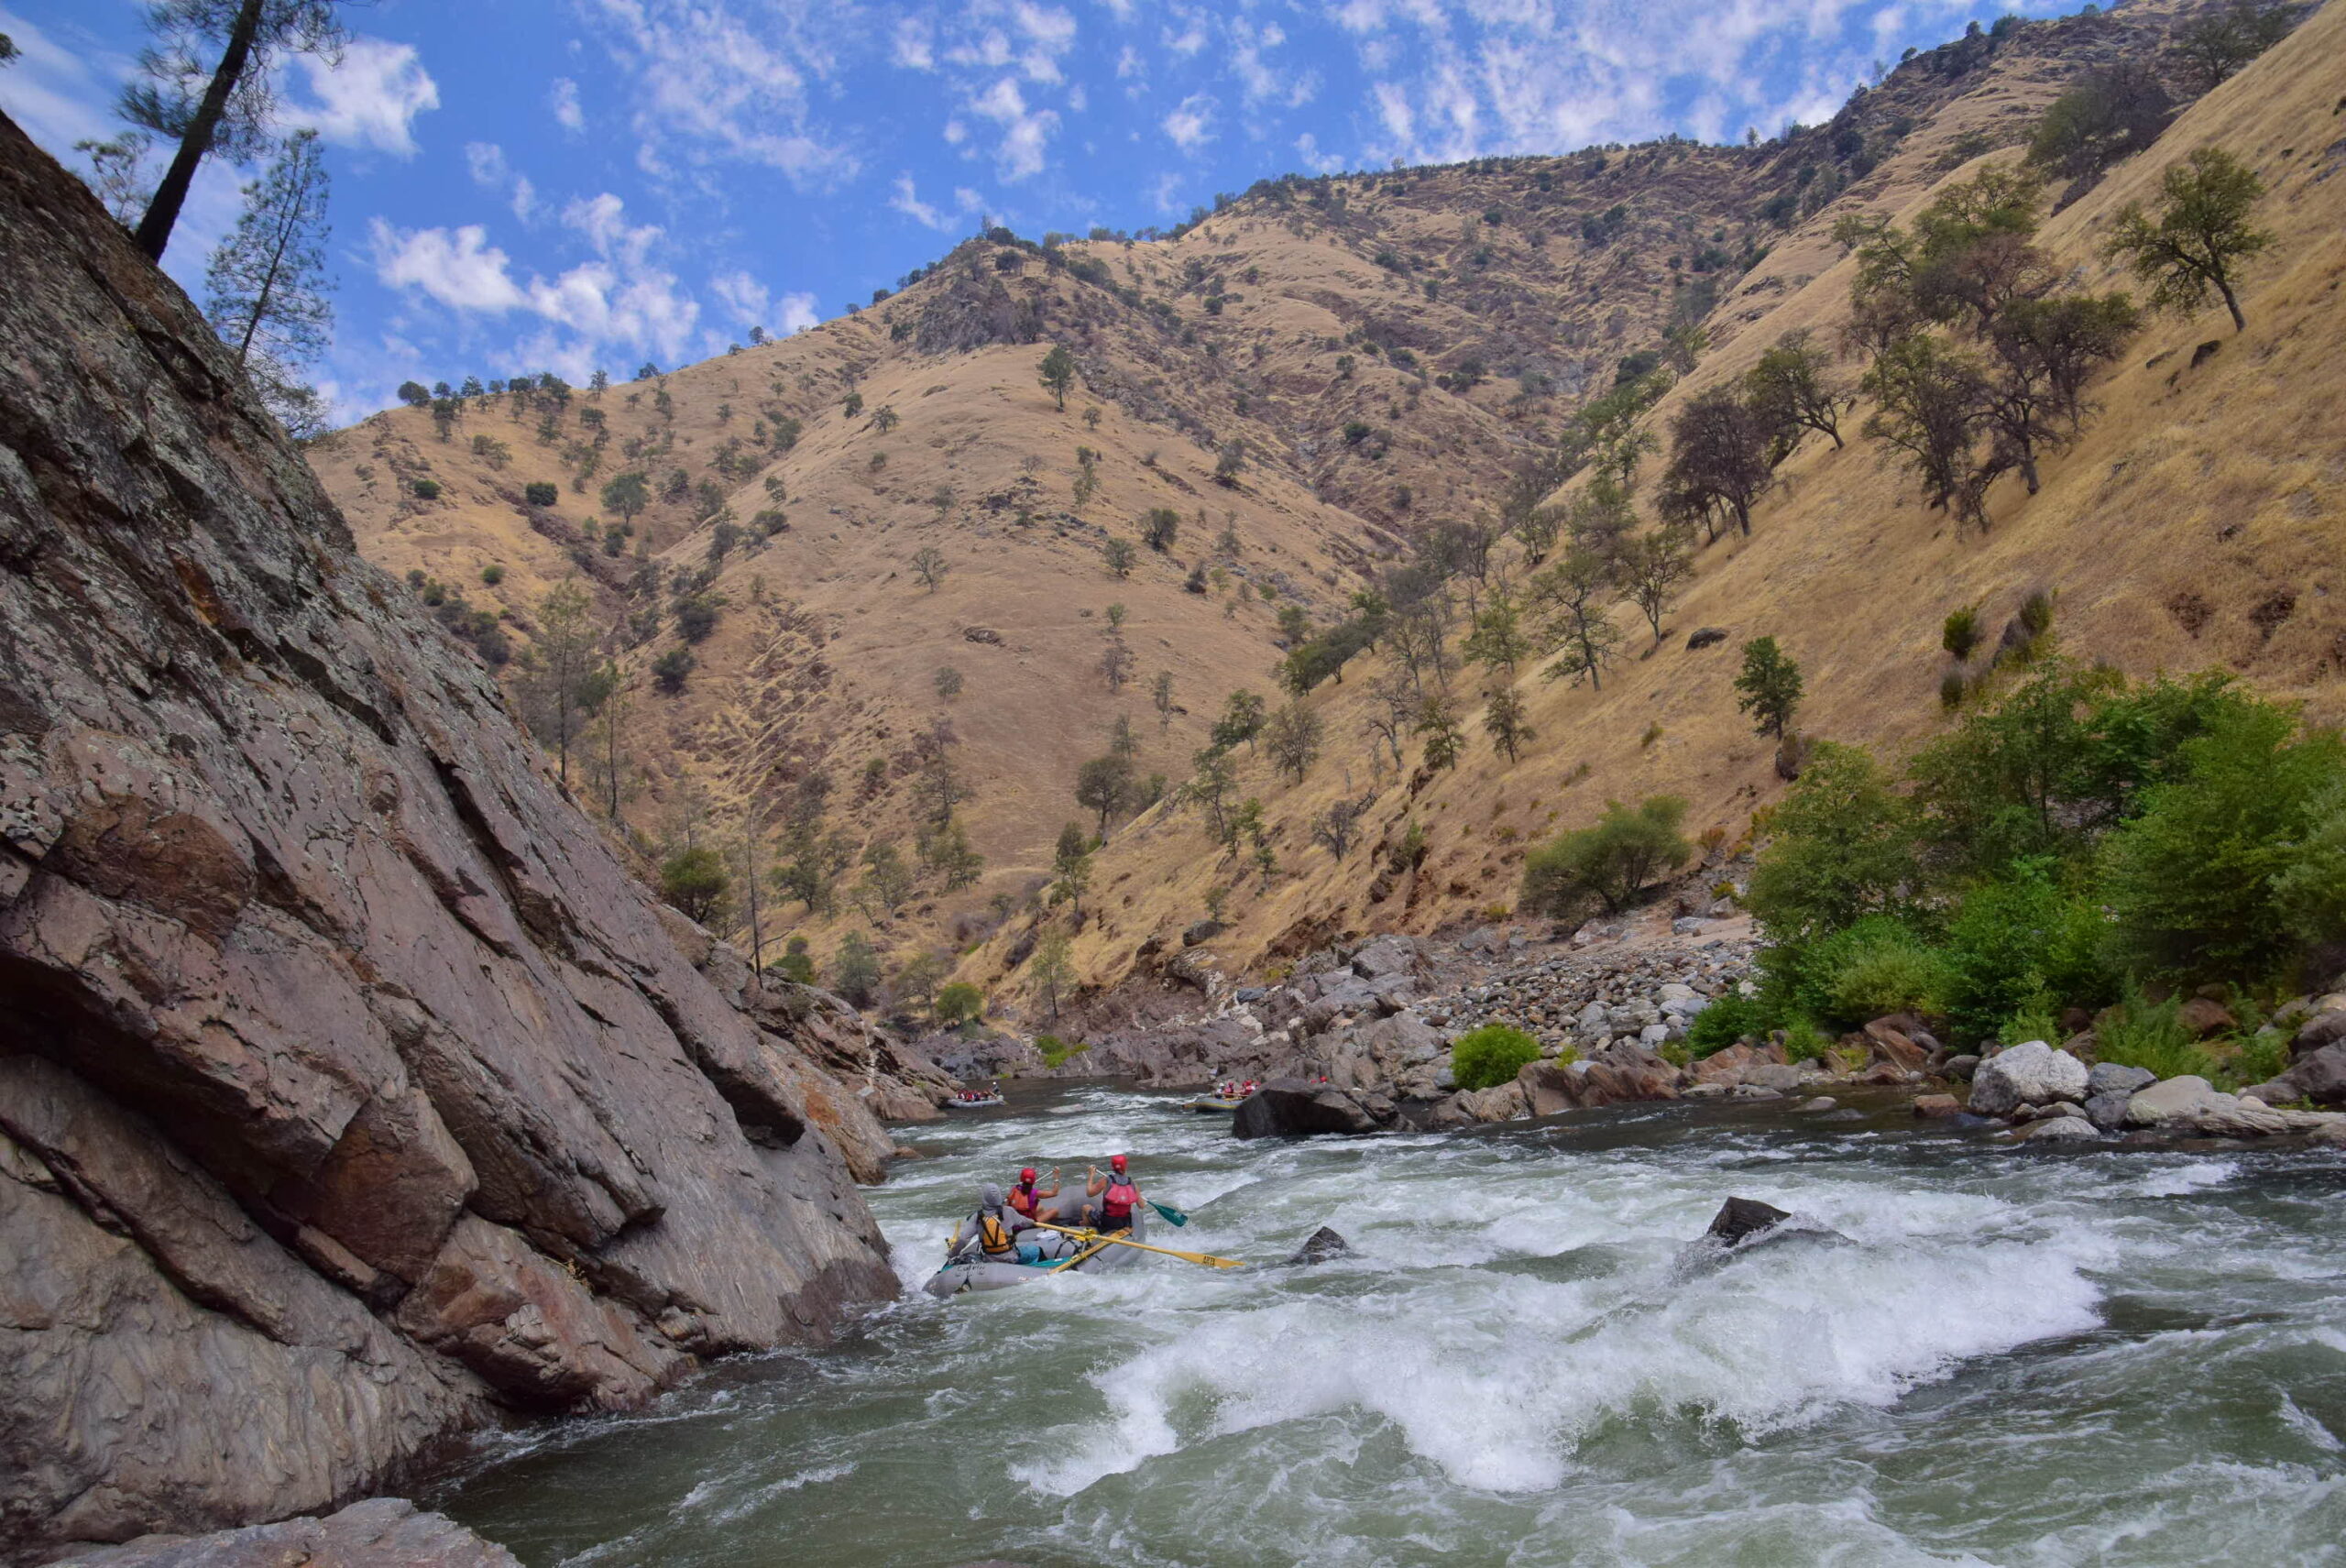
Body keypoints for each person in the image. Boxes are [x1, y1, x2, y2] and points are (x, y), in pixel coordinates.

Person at [950, 1182, 1039, 1265]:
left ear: (983, 1198)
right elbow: (1025, 1222)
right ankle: (1030, 1269)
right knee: (1034, 1249)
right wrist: (1033, 1222)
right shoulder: (1009, 1211)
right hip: (1011, 1258)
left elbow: (963, 1239)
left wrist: (952, 1254)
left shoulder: (976, 1216)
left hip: (988, 1260)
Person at [1084, 1154, 1143, 1233]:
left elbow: (1089, 1193)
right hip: (1125, 1223)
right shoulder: (1132, 1183)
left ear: (1112, 1167)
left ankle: (1088, 1231)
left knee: (1085, 1208)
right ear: (1126, 1166)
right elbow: (1141, 1205)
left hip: (1107, 1222)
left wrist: (1091, 1175)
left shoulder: (1106, 1180)